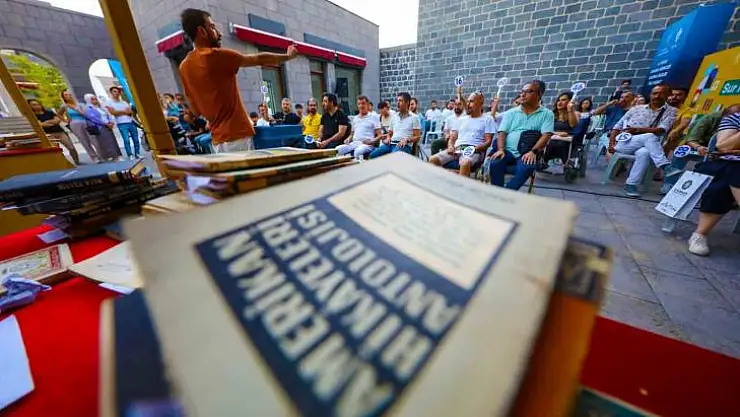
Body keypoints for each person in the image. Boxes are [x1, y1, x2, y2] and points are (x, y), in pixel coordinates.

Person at [178, 8, 298, 152]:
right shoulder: (215, 55)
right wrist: (287, 56)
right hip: (238, 135)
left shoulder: (184, 67)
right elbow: (258, 59)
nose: (219, 33)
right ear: (201, 31)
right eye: (212, 27)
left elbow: (194, 112)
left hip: (217, 141)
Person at [686, 110, 740, 256]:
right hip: (729, 164)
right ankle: (700, 234)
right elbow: (723, 146)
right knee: (725, 180)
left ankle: (700, 233)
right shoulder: (734, 119)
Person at [609, 84, 678, 197]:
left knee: (644, 153)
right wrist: (611, 144)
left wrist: (637, 129)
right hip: (626, 143)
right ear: (650, 95)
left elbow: (661, 130)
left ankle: (631, 184)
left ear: (668, 95)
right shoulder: (636, 109)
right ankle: (665, 166)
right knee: (649, 136)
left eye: (662, 93)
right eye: (655, 93)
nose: (657, 96)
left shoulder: (671, 111)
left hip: (648, 146)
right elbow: (617, 126)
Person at [486, 80, 555, 190]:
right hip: (507, 151)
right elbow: (502, 132)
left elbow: (546, 135)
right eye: (522, 91)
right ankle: (497, 192)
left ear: (539, 95)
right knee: (495, 163)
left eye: (528, 92)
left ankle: (508, 191)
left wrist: (533, 152)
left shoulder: (547, 114)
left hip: (527, 152)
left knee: (527, 167)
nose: (523, 94)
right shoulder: (511, 113)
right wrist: (501, 149)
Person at [660, 104, 740, 195]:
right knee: (680, 153)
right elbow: (691, 139)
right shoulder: (708, 119)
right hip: (698, 146)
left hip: (724, 153)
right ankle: (669, 183)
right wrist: (698, 147)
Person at [430, 91, 496, 177]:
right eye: (468, 101)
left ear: (480, 103)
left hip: (473, 151)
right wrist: (450, 146)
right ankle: (446, 178)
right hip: (457, 149)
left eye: (471, 101)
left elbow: (488, 141)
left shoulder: (487, 119)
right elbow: (452, 138)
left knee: (464, 163)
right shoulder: (461, 119)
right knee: (433, 160)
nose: (468, 104)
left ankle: (460, 183)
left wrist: (476, 148)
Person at [28, 99, 79, 165]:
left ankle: (77, 162)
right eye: (34, 105)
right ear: (30, 106)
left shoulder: (49, 112)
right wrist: (51, 122)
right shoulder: (33, 116)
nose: (37, 106)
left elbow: (57, 120)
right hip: (48, 134)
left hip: (60, 132)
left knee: (71, 147)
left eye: (38, 104)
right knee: (56, 150)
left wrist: (47, 122)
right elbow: (41, 125)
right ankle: (62, 163)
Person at [371, 92, 421, 158]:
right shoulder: (394, 116)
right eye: (397, 101)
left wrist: (407, 140)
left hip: (404, 145)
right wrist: (388, 138)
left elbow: (417, 136)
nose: (397, 103)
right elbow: (389, 133)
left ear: (407, 102)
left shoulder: (414, 117)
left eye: (400, 101)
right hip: (391, 144)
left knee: (393, 157)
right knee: (372, 155)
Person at [57, 90, 102, 163]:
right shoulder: (65, 106)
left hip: (86, 122)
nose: (69, 96)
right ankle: (94, 157)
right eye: (66, 95)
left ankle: (101, 155)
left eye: (69, 94)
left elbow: (85, 114)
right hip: (74, 124)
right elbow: (58, 114)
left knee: (94, 139)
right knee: (84, 141)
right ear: (64, 97)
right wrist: (66, 121)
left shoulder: (80, 104)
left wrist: (74, 108)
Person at [543, 91, 578, 166]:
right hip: (551, 137)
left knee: (560, 144)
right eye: (559, 100)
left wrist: (570, 109)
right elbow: (544, 128)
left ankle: (566, 163)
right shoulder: (551, 114)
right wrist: (556, 133)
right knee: (550, 143)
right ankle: (544, 161)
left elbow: (572, 125)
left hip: (567, 140)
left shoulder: (575, 114)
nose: (559, 102)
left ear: (569, 102)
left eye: (563, 100)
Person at [84, 94, 122, 162]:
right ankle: (112, 156)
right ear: (88, 100)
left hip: (107, 125)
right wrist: (106, 124)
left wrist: (110, 122)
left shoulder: (99, 107)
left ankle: (115, 155)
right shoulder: (88, 108)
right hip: (100, 127)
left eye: (95, 98)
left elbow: (107, 114)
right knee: (106, 142)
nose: (95, 100)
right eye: (92, 99)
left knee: (112, 141)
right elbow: (94, 118)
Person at [105, 86, 140, 159]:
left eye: (118, 91)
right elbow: (113, 112)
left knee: (136, 139)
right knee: (126, 140)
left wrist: (120, 112)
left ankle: (137, 153)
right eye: (114, 91)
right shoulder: (109, 102)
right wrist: (124, 112)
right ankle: (130, 154)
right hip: (121, 123)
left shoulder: (124, 102)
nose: (116, 93)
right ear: (111, 92)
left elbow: (130, 112)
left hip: (130, 122)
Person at [432, 89, 466, 156]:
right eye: (455, 104)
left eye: (459, 104)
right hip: (450, 139)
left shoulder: (466, 116)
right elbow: (445, 131)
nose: (457, 106)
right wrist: (447, 135)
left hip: (461, 140)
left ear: (463, 105)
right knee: (435, 143)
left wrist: (460, 94)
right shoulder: (449, 118)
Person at [664, 87, 692, 154]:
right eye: (672, 94)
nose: (674, 97)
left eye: (678, 95)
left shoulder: (687, 110)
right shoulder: (661, 106)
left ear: (685, 97)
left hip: (670, 140)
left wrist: (675, 130)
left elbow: (684, 123)